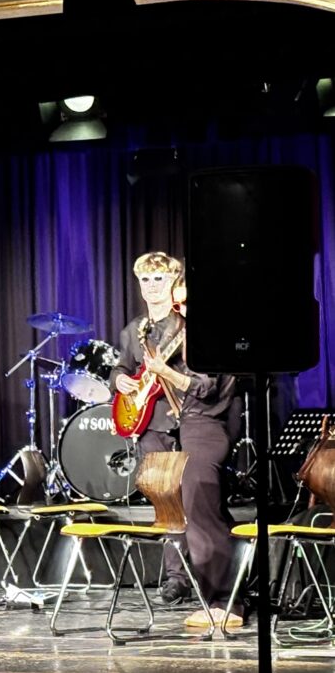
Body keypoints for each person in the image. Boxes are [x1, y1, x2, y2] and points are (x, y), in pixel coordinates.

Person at [110, 251, 243, 629]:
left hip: (197, 423)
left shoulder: (190, 328)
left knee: (203, 508)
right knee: (169, 504)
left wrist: (165, 371)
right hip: (157, 422)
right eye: (145, 280)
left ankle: (225, 597)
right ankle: (181, 580)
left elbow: (207, 386)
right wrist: (120, 380)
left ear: (175, 285)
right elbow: (122, 366)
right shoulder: (135, 330)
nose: (153, 287)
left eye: (161, 280)